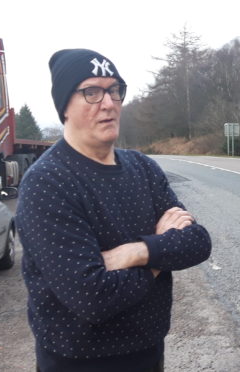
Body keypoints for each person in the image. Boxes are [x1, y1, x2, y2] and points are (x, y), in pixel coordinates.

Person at [16, 48, 212, 372]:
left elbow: (197, 242)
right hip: (79, 362)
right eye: (91, 92)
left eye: (114, 90)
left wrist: (138, 251)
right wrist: (161, 252)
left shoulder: (142, 168)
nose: (108, 103)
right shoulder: (48, 183)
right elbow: (92, 297)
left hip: (149, 353)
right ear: (64, 105)